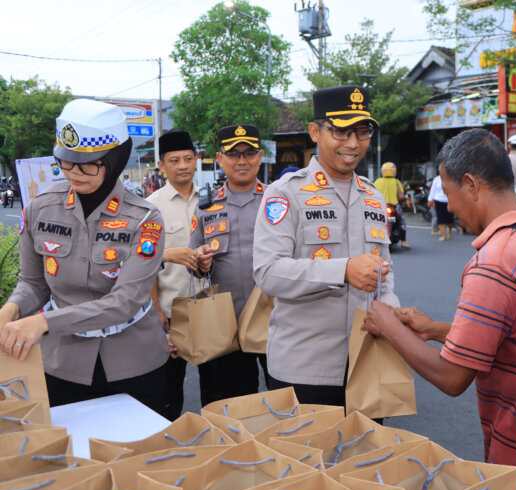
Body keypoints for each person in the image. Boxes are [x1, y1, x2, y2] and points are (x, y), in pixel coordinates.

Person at [363, 128, 516, 465]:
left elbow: (452, 376)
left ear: (472, 185)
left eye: (448, 192)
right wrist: (434, 329)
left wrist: (389, 326)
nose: (450, 206)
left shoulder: (495, 259)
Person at [0, 99, 169, 415]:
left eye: (88, 164)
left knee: (135, 454)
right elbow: (32, 283)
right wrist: (10, 309)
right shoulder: (40, 208)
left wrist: (42, 322)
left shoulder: (145, 219)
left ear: (116, 159)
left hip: (133, 362)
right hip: (64, 363)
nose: (74, 173)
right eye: (66, 162)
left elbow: (125, 302)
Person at [253, 85, 400, 407]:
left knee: (367, 454)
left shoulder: (373, 196)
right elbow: (268, 272)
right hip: (305, 367)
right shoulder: (285, 193)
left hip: (367, 359)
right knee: (308, 456)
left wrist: (391, 307)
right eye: (340, 131)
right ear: (315, 132)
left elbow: (385, 272)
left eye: (362, 132)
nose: (352, 144)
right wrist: (343, 270)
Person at [189, 124, 266, 406]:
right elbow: (192, 258)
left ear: (260, 156)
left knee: (286, 399)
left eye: (249, 153)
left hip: (275, 317)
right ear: (220, 159)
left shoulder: (278, 200)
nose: (242, 161)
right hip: (225, 323)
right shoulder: (207, 206)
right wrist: (200, 261)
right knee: (233, 402)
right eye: (234, 154)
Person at [146, 129, 200, 420]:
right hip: (171, 312)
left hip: (209, 309)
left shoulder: (211, 199)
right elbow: (143, 263)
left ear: (197, 161)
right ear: (162, 166)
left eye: (188, 159)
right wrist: (156, 311)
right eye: (174, 160)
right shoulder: (151, 207)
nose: (182, 166)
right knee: (169, 394)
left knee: (219, 388)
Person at [374, 161, 409, 248]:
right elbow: (401, 196)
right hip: (394, 206)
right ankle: (403, 241)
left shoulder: (377, 181)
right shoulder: (396, 182)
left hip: (379, 207)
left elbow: (372, 193)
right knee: (402, 221)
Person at [428, 173, 453, 240]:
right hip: (438, 200)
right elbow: (432, 190)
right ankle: (443, 235)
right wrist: (430, 200)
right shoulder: (436, 179)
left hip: (449, 201)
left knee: (449, 219)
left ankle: (449, 232)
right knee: (440, 218)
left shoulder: (451, 178)